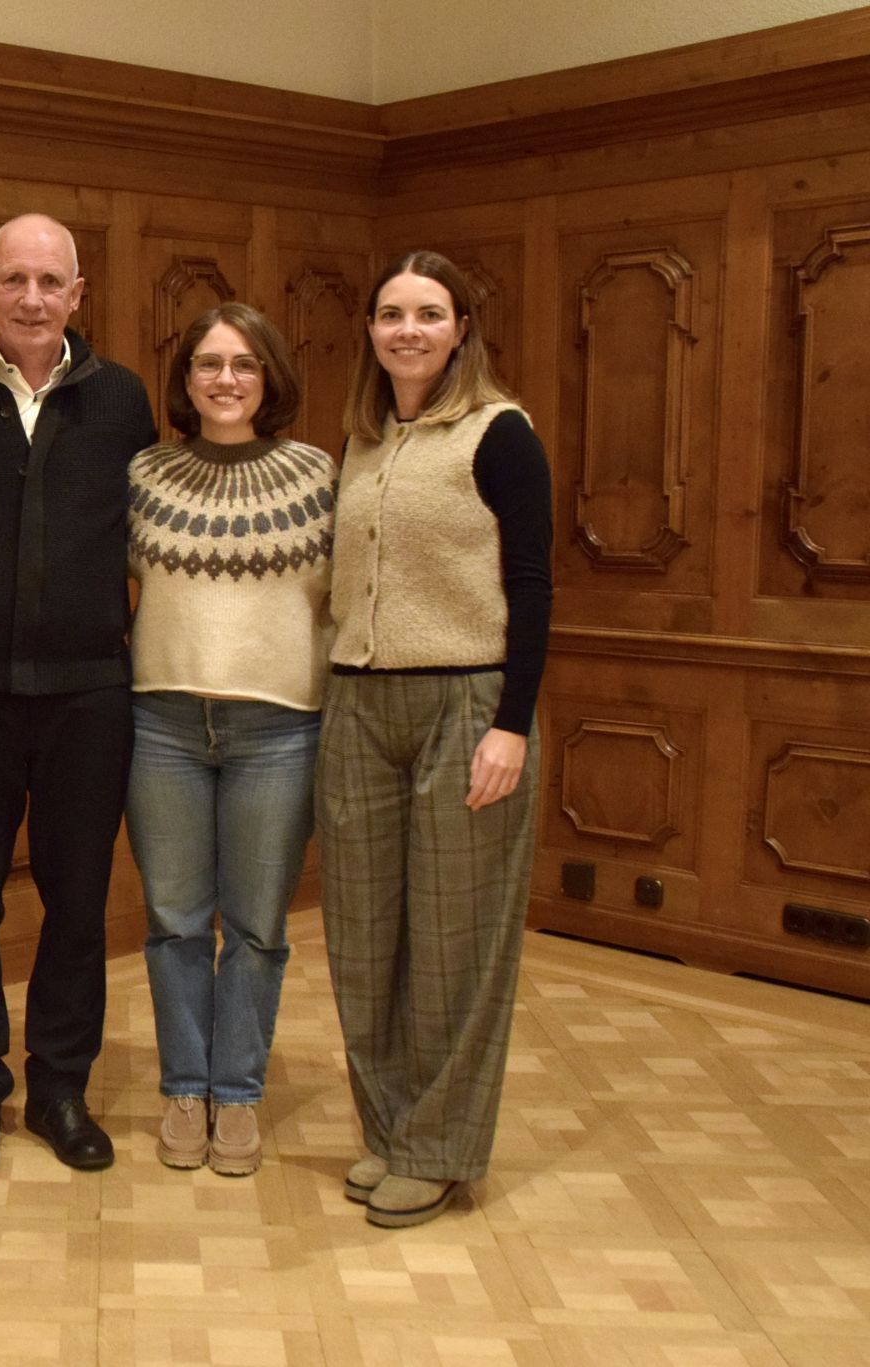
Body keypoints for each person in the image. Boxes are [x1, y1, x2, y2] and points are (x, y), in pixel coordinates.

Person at [0, 214, 157, 1177]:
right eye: (14, 279)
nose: (33, 298)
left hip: (89, 693)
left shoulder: (122, 400)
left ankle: (60, 1086)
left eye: (51, 281)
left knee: (78, 903)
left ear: (78, 295)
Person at [319, 250, 552, 1228]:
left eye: (427, 313)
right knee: (363, 938)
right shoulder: (363, 441)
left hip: (467, 703)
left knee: (455, 941)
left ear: (460, 329)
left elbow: (532, 584)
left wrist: (511, 724)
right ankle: (392, 1129)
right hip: (358, 705)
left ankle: (439, 1146)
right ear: (370, 330)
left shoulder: (499, 434)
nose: (406, 330)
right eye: (389, 313)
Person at [126, 303, 335, 1178]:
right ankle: (186, 1087)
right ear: (186, 379)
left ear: (269, 376)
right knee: (175, 921)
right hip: (163, 724)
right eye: (209, 363)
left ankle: (238, 1092)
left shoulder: (318, 475)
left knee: (255, 926)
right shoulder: (145, 473)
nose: (226, 379)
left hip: (278, 729)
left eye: (244, 363)